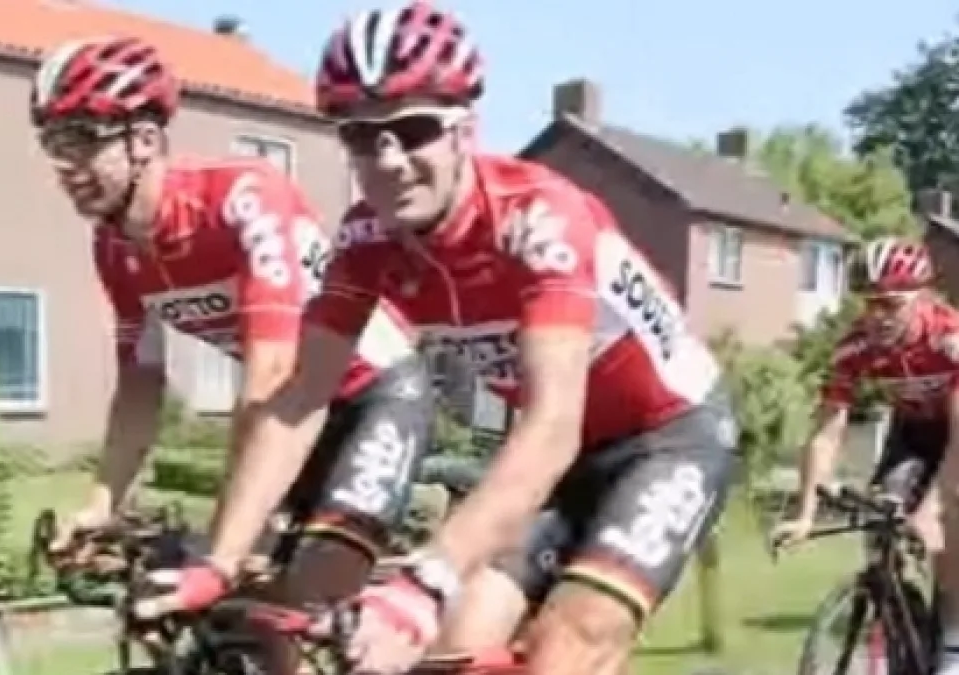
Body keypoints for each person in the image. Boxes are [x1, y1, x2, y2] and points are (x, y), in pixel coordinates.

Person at [142, 3, 738, 674]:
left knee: (566, 642)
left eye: (414, 130)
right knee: (458, 637)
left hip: (667, 436)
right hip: (566, 460)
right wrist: (220, 560)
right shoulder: (366, 240)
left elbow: (550, 427)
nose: (389, 160)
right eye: (362, 137)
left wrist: (422, 581)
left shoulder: (540, 221)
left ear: (464, 130)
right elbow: (299, 399)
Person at [30, 35, 434, 663]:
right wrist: (101, 504)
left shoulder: (242, 199)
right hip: (292, 419)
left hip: (372, 394)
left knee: (310, 593)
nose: (64, 165)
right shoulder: (114, 247)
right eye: (54, 144)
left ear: (144, 140)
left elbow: (269, 375)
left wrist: (223, 547)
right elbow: (140, 383)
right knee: (248, 622)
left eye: (81, 139)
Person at [771, 236, 959, 673]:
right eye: (869, 303)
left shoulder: (949, 340)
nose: (877, 317)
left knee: (949, 531)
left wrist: (931, 510)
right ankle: (894, 622)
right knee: (879, 520)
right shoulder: (856, 347)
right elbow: (827, 430)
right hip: (912, 432)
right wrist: (805, 513)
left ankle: (953, 644)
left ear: (922, 296)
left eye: (890, 305)